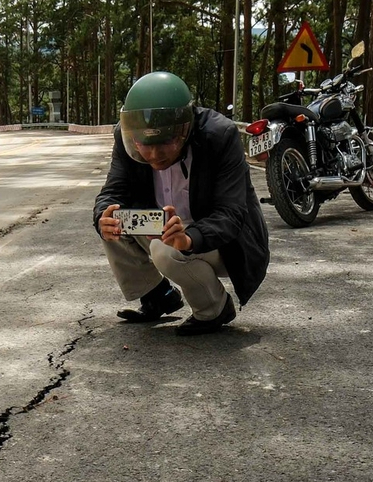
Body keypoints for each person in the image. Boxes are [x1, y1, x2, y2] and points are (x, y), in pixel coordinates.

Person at [95, 71, 270, 337]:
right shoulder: (126, 135)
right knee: (115, 222)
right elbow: (113, 191)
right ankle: (158, 295)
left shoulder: (219, 135)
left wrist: (189, 239)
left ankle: (214, 309)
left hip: (223, 241)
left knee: (166, 250)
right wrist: (103, 218)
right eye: (145, 145)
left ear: (184, 129)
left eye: (164, 143)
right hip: (165, 228)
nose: (154, 155)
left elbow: (231, 214)